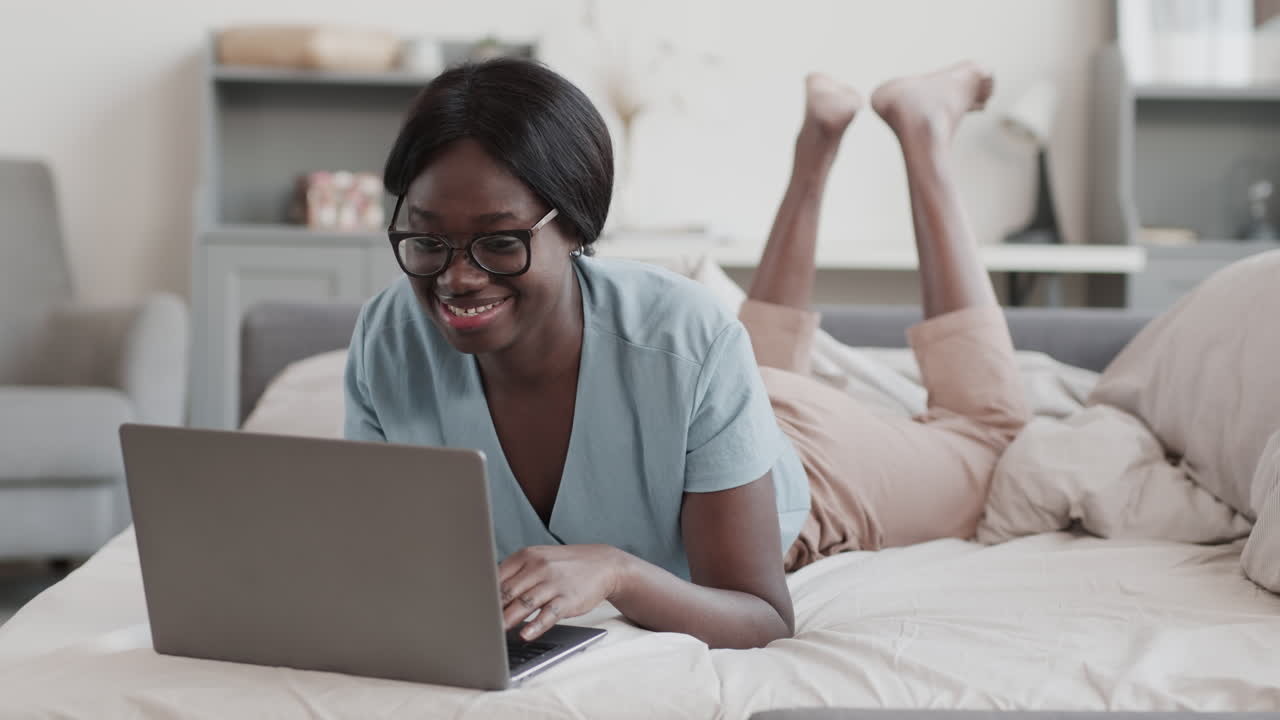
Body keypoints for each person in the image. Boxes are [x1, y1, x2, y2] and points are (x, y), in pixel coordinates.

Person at [344, 58, 1028, 650]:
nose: (456, 278)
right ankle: (816, 148)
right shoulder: (388, 339)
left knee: (987, 436)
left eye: (499, 242)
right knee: (750, 365)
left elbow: (761, 616)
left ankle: (924, 128)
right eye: (427, 241)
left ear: (578, 225)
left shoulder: (686, 335)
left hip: (821, 464)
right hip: (715, 394)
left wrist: (618, 571)